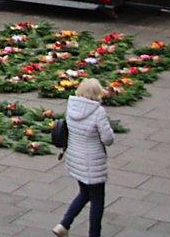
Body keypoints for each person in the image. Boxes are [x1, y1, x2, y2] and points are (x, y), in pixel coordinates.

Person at [53, 78, 115, 237]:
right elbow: (108, 139)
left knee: (85, 193)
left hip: (75, 159)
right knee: (97, 201)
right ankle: (94, 234)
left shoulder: (72, 107)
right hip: (93, 162)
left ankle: (64, 224)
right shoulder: (98, 112)